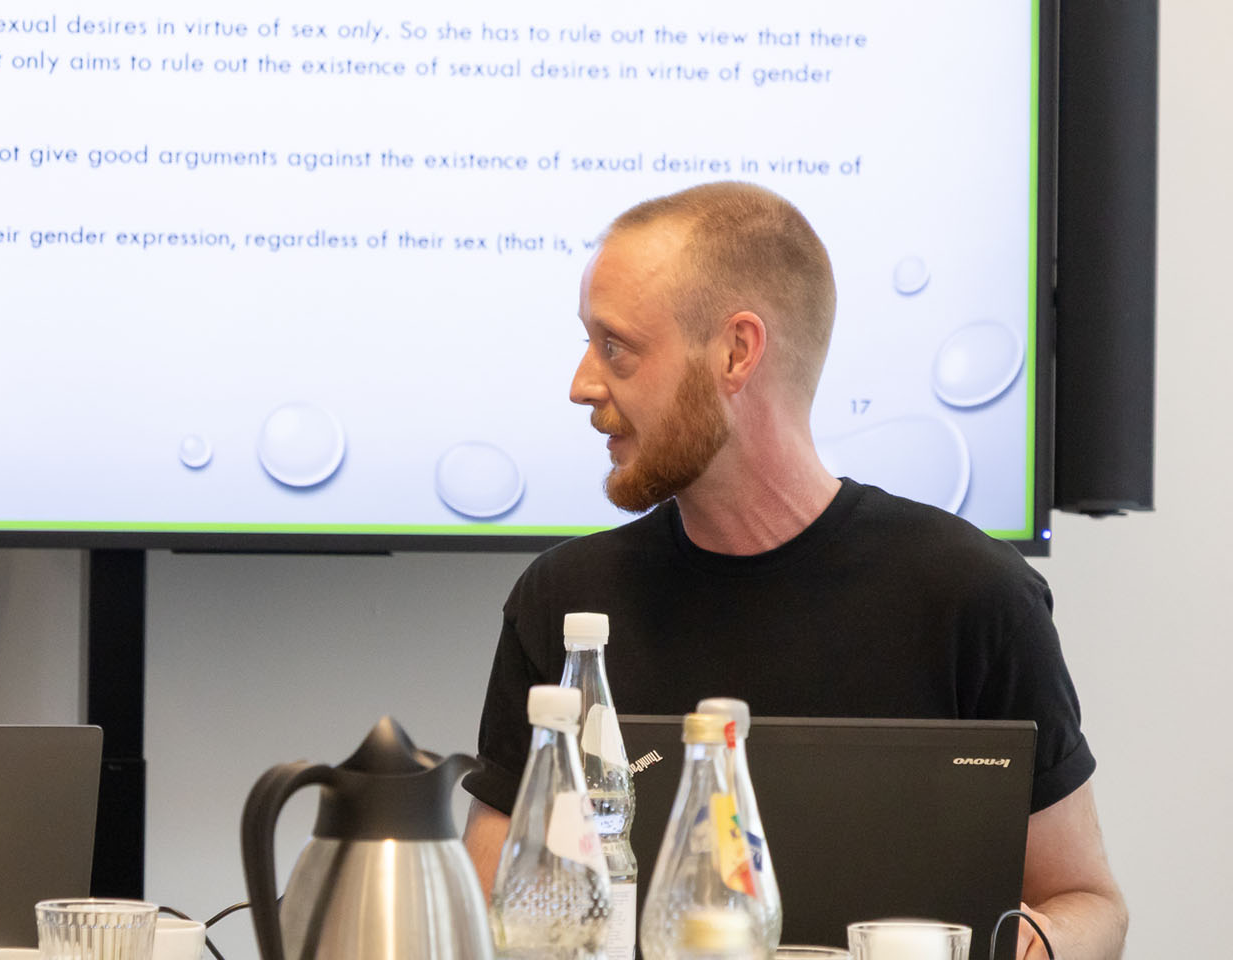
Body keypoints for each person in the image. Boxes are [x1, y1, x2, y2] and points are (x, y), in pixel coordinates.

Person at [461, 182, 1126, 960]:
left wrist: (1034, 948)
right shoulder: (565, 604)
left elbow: (1089, 906)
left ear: (736, 352)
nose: (583, 384)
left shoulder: (974, 597)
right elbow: (488, 914)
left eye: (616, 347)